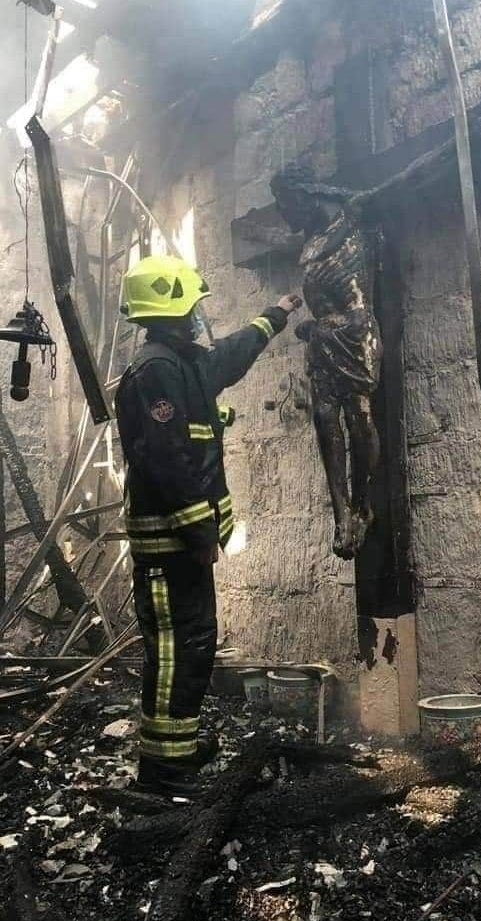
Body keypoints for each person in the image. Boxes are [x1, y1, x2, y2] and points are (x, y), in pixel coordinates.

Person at [115, 254, 301, 797]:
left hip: (185, 545)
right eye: (193, 306)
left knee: (193, 642)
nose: (201, 315)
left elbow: (232, 355)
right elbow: (167, 460)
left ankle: (180, 747)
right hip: (171, 544)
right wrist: (200, 534)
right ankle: (166, 771)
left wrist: (278, 312)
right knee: (178, 647)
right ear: (172, 310)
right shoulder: (156, 371)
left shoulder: (184, 363)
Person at [270, 164, 382, 560]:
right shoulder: (312, 241)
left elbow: (355, 310)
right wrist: (311, 331)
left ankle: (364, 505)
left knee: (358, 417)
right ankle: (341, 513)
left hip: (353, 337)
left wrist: (315, 330)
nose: (285, 215)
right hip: (322, 341)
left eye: (286, 204)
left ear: (306, 194)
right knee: (324, 419)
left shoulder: (351, 221)